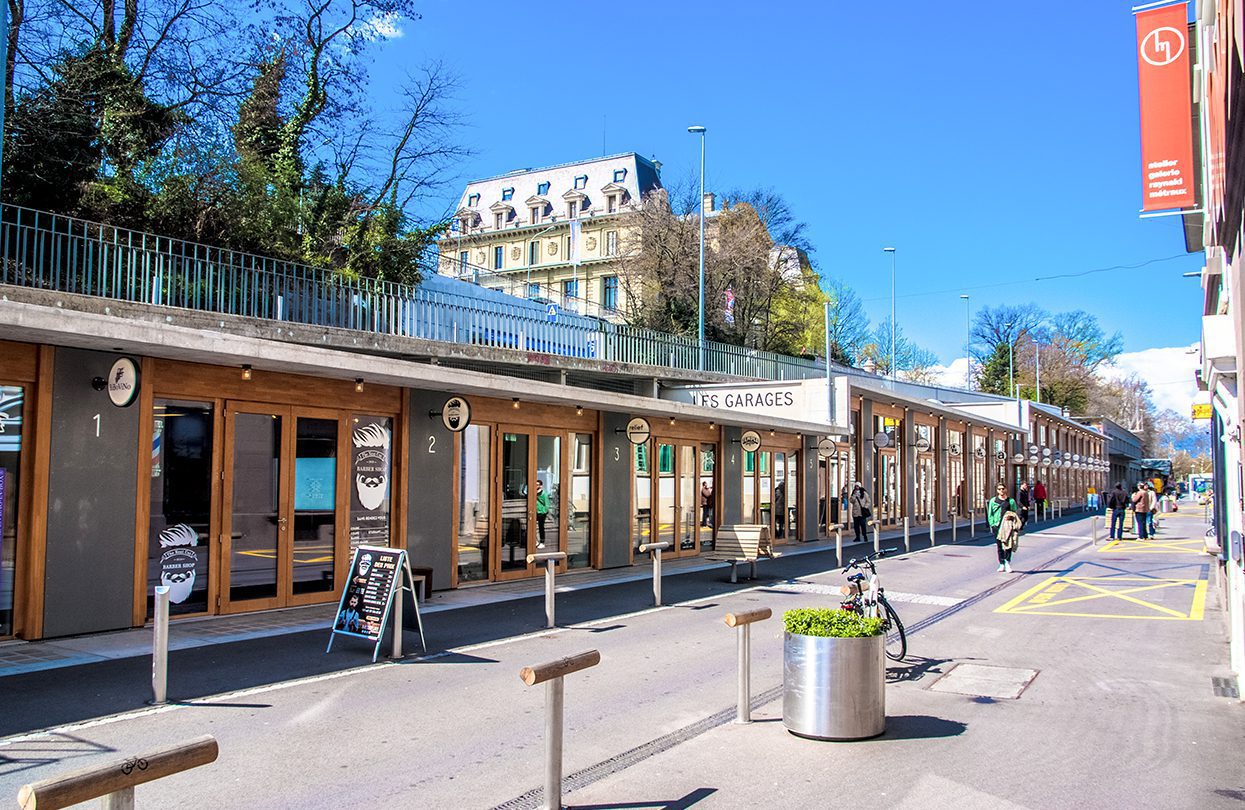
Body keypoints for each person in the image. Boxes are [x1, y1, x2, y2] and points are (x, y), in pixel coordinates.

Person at [987, 483, 1020, 573]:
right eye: (999, 489)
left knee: (1008, 545)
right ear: (997, 490)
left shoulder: (1011, 501)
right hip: (997, 526)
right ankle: (1001, 563)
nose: (1001, 491)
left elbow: (1014, 512)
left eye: (1002, 489)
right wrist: (992, 524)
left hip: (1007, 526)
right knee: (999, 546)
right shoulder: (993, 501)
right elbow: (990, 514)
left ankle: (1007, 562)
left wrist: (1012, 518)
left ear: (1006, 489)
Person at [535, 479, 549, 549]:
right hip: (535, 512)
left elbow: (547, 504)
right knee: (533, 527)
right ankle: (536, 540)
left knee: (541, 527)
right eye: (535, 484)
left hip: (541, 512)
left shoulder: (544, 494)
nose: (536, 486)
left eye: (537, 484)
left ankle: (542, 542)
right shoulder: (533, 492)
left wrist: (544, 511)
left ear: (540, 486)